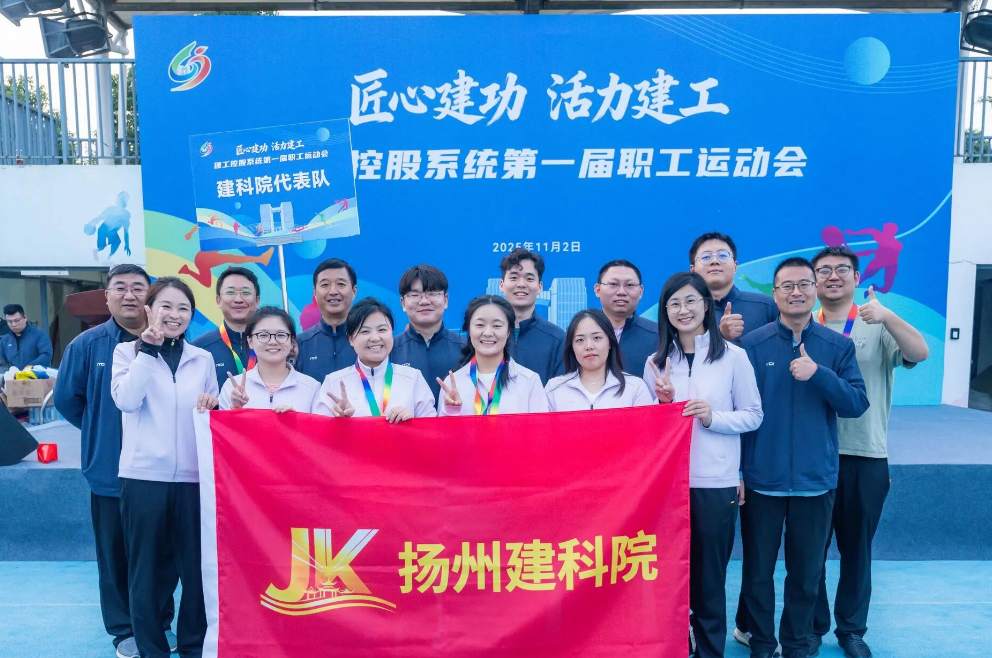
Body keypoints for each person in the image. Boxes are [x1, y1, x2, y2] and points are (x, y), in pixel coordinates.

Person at [737, 257, 869, 658]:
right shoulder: (751, 346)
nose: (796, 292)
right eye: (786, 286)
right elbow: (738, 411)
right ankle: (762, 644)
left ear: (815, 290)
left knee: (807, 575)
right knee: (757, 573)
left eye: (804, 284)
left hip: (815, 481)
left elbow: (856, 404)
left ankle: (796, 645)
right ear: (774, 293)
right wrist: (740, 470)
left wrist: (820, 374)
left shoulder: (837, 345)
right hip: (762, 480)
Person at [53, 265, 178, 658]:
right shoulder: (87, 346)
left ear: (150, 297)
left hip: (160, 470)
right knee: (115, 555)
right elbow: (68, 401)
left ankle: (159, 622)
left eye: (138, 288)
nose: (129, 295)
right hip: (110, 471)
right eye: (119, 288)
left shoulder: (170, 342)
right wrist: (100, 431)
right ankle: (124, 629)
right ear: (106, 297)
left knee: (161, 553)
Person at [810, 247, 929, 658]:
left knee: (857, 551)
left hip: (865, 455)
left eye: (842, 269)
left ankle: (851, 630)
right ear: (813, 280)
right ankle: (812, 627)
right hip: (813, 456)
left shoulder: (875, 322)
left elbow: (919, 353)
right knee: (811, 551)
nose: (832, 276)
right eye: (823, 270)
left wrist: (889, 316)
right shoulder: (803, 323)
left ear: (857, 277)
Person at [641, 272, 763, 658]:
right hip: (668, 486)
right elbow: (645, 429)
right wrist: (663, 404)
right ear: (665, 312)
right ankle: (675, 647)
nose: (683, 310)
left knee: (710, 579)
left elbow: (754, 415)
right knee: (669, 575)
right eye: (674, 303)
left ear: (706, 305)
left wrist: (714, 418)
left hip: (714, 483)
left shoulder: (733, 357)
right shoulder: (656, 362)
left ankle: (709, 650)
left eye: (691, 301)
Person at [111, 277, 219, 658]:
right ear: (150, 309)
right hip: (143, 478)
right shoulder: (126, 353)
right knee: (145, 572)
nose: (174, 315)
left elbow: (213, 412)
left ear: (192, 315)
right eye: (166, 306)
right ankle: (152, 649)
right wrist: (148, 352)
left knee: (196, 571)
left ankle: (192, 647)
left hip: (193, 478)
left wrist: (213, 405)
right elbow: (126, 400)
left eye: (183, 308)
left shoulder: (202, 359)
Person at [314, 298, 435, 421]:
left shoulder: (413, 379)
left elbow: (432, 428)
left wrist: (413, 423)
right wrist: (339, 422)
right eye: (365, 331)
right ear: (350, 339)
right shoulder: (333, 383)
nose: (375, 338)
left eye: (382, 330)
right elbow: (318, 430)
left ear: (392, 333)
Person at [437, 295, 549, 416]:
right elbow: (443, 428)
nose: (488, 333)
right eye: (480, 325)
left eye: (497, 326)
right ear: (469, 329)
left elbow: (540, 427)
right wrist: (451, 410)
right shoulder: (452, 384)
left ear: (508, 331)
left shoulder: (529, 381)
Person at [545, 308, 653, 410]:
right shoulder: (554, 388)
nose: (589, 346)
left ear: (610, 342)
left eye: (597, 338)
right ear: (571, 346)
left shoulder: (635, 387)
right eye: (580, 340)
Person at [218, 306, 320, 413]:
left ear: (292, 341)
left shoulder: (311, 388)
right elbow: (222, 424)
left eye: (281, 335)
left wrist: (297, 419)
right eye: (263, 335)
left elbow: (320, 424)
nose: (272, 342)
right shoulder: (232, 388)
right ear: (250, 341)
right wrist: (235, 410)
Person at [391, 264, 465, 400]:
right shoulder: (390, 350)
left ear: (446, 300)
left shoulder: (467, 349)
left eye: (432, 293)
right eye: (415, 295)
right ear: (403, 303)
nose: (424, 301)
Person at [688, 232, 777, 344]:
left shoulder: (767, 306)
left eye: (722, 255)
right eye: (706, 257)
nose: (714, 261)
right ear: (693, 269)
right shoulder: (685, 313)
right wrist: (721, 335)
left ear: (735, 266)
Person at [498, 248, 565, 384]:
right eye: (514, 278)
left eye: (529, 278)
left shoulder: (557, 339)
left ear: (540, 287)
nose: (521, 284)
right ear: (502, 285)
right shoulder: (487, 336)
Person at [192, 266, 261, 392]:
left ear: (257, 300)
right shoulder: (199, 349)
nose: (238, 299)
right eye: (230, 292)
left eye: (246, 293)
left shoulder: (272, 345)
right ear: (218, 300)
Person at [296, 258, 358, 382]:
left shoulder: (367, 341)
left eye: (341, 284)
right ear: (315, 292)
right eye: (325, 285)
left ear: (354, 291)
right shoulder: (299, 344)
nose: (333, 291)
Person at [593, 259, 658, 377]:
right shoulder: (580, 335)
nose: (621, 292)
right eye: (613, 284)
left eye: (630, 285)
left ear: (641, 292)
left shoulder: (659, 336)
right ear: (598, 290)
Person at [0, 304, 53, 369]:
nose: (13, 324)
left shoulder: (39, 335)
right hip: (13, 375)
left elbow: (46, 355)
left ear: (25, 317)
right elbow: (2, 363)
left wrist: (31, 367)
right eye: (10, 321)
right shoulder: (4, 340)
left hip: (36, 374)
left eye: (16, 320)